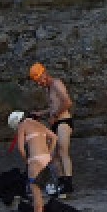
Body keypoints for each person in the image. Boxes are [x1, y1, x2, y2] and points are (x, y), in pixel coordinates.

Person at [29, 62, 74, 197]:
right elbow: (54, 106)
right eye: (36, 82)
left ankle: (68, 183)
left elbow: (67, 102)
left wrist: (54, 115)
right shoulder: (48, 88)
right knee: (52, 155)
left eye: (39, 80)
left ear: (44, 74)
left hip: (63, 121)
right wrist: (41, 113)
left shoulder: (56, 83)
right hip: (56, 122)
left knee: (62, 150)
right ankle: (61, 181)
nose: (39, 84)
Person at [8, 110, 57, 212]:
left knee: (35, 192)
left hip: (35, 159)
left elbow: (20, 148)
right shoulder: (38, 124)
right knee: (41, 189)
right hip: (45, 158)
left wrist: (27, 161)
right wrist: (49, 153)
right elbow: (54, 137)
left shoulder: (22, 125)